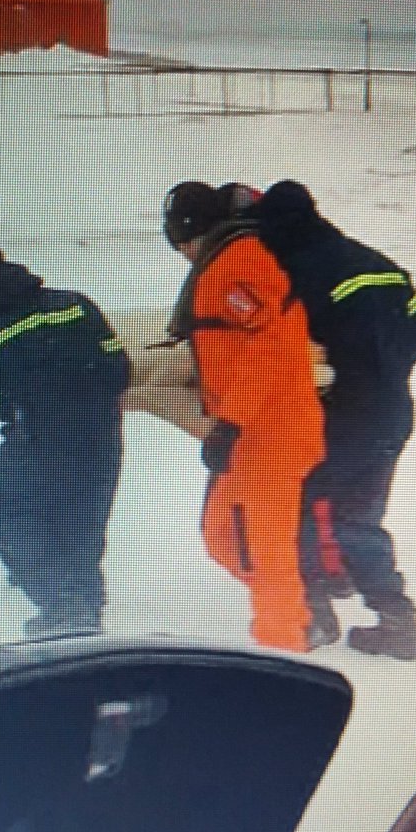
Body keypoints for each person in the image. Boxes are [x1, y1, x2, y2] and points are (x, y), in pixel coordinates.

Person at [258, 180, 416, 659]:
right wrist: (386, 366)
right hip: (391, 411)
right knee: (360, 519)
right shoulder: (375, 261)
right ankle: (398, 622)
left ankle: (314, 617)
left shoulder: (294, 271)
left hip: (334, 415)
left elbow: (285, 351)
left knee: (293, 508)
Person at [163, 181, 326, 653]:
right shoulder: (225, 262)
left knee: (264, 547)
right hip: (254, 429)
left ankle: (283, 643)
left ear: (190, 234)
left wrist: (233, 421)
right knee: (221, 537)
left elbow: (263, 357)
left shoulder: (239, 263)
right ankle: (300, 608)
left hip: (269, 432)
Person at [0, 246, 130, 636]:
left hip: (40, 435)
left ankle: (61, 606)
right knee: (84, 518)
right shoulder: (73, 304)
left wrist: (29, 401)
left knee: (13, 516)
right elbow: (119, 367)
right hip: (101, 429)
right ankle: (85, 602)